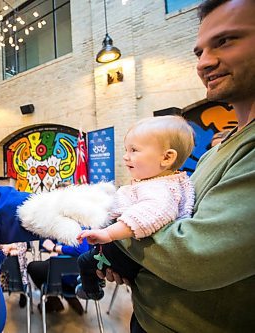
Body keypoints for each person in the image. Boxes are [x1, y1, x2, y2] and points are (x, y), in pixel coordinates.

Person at [97, 0, 255, 331]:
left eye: (226, 41)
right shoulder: (218, 149)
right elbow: (176, 224)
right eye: (199, 52)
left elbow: (194, 257)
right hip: (149, 315)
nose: (205, 62)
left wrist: (113, 231)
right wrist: (127, 262)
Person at [76, 116, 195, 300]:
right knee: (90, 261)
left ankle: (91, 291)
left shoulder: (162, 190)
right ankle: (94, 278)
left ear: (166, 157)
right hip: (126, 250)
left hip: (129, 254)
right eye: (126, 149)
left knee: (84, 261)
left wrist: (108, 234)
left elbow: (147, 214)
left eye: (134, 150)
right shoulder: (153, 182)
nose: (125, 156)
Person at [27, 238, 90, 315]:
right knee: (43, 267)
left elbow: (81, 250)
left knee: (33, 267)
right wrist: (46, 240)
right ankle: (66, 298)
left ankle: (53, 300)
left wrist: (54, 247)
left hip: (75, 276)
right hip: (72, 273)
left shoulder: (83, 230)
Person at [0, 242, 29, 307]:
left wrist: (11, 246)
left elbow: (24, 246)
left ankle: (21, 289)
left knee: (14, 260)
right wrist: (7, 248)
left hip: (18, 259)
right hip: (1, 253)